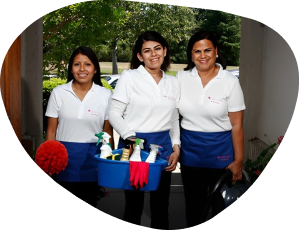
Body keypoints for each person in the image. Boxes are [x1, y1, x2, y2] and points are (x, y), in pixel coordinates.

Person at [108, 31, 180, 229]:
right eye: (147, 51)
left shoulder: (173, 82)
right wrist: (131, 139)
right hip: (133, 148)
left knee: (160, 204)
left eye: (157, 48)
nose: (153, 54)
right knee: (133, 205)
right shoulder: (129, 77)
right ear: (140, 56)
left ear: (165, 51)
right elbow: (114, 113)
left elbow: (173, 117)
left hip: (163, 149)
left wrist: (176, 146)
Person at [175, 30, 245, 228]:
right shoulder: (180, 78)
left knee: (219, 206)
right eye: (197, 51)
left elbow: (237, 124)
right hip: (191, 154)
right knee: (194, 206)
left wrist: (238, 160)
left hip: (221, 155)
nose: (202, 55)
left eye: (207, 50)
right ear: (191, 55)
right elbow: (170, 113)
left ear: (216, 51)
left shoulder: (230, 82)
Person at [45, 46, 114, 209]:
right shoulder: (58, 93)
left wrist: (109, 163)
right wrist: (49, 164)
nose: (82, 69)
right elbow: (51, 131)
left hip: (93, 160)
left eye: (87, 64)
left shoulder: (106, 94)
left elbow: (108, 132)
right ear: (71, 68)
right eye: (77, 64)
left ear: (95, 69)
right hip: (64, 162)